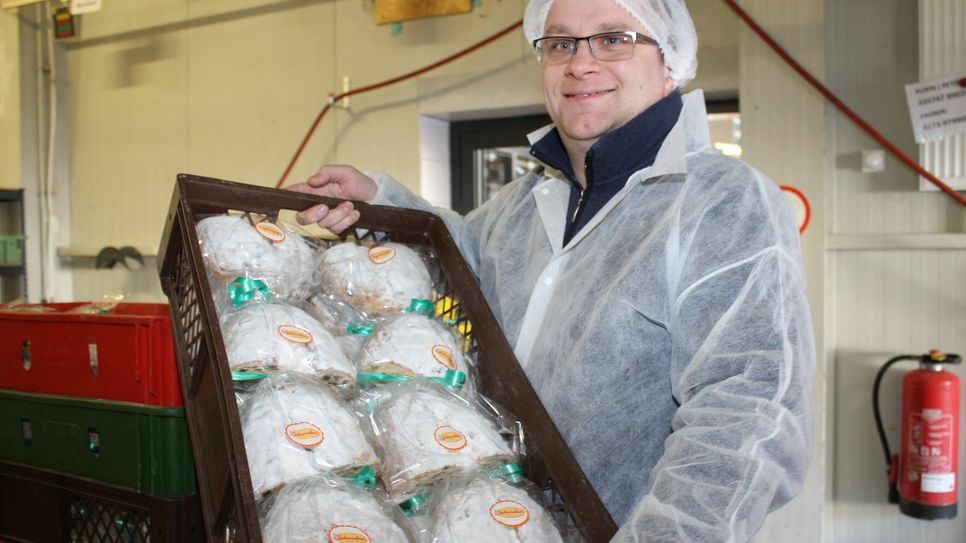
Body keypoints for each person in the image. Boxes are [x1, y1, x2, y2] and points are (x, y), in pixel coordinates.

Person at [288, 0, 815, 540]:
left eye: (613, 38)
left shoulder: (723, 203)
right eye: (561, 43)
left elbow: (747, 414)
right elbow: (463, 258)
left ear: (671, 60)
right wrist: (379, 202)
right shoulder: (525, 200)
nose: (580, 64)